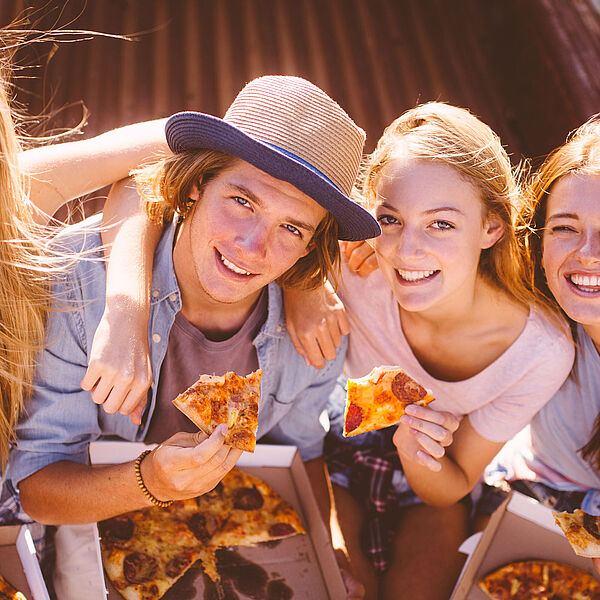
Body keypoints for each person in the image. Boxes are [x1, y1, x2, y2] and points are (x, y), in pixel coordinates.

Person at [6, 75, 378, 595]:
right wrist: (153, 481)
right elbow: (35, 486)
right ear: (198, 185)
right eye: (242, 202)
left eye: (291, 228)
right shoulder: (80, 285)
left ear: (310, 247)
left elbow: (300, 454)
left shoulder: (314, 332)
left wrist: (329, 549)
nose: (252, 245)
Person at [283, 102, 575, 600]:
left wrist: (416, 453)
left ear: (491, 227)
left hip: (438, 473)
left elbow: (452, 484)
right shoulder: (357, 263)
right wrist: (304, 287)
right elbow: (278, 228)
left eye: (440, 224)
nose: (406, 249)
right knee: (338, 589)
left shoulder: (540, 351)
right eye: (391, 219)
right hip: (340, 442)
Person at [485, 115, 600, 573]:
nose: (588, 252)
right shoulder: (532, 305)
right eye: (565, 228)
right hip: (523, 494)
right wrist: (310, 291)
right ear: (539, 243)